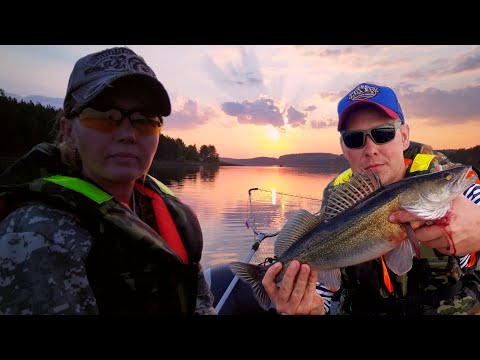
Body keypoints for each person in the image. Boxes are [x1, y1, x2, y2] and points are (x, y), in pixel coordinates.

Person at [0, 46, 216, 315]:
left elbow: (201, 307)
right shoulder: (38, 233)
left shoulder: (168, 215)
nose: (128, 134)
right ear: (68, 131)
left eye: (144, 121)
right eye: (104, 118)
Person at [262, 82, 480, 315]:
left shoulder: (448, 184)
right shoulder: (337, 199)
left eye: (383, 133)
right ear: (344, 149)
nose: (370, 149)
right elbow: (325, 293)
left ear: (404, 136)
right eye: (355, 139)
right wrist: (312, 309)